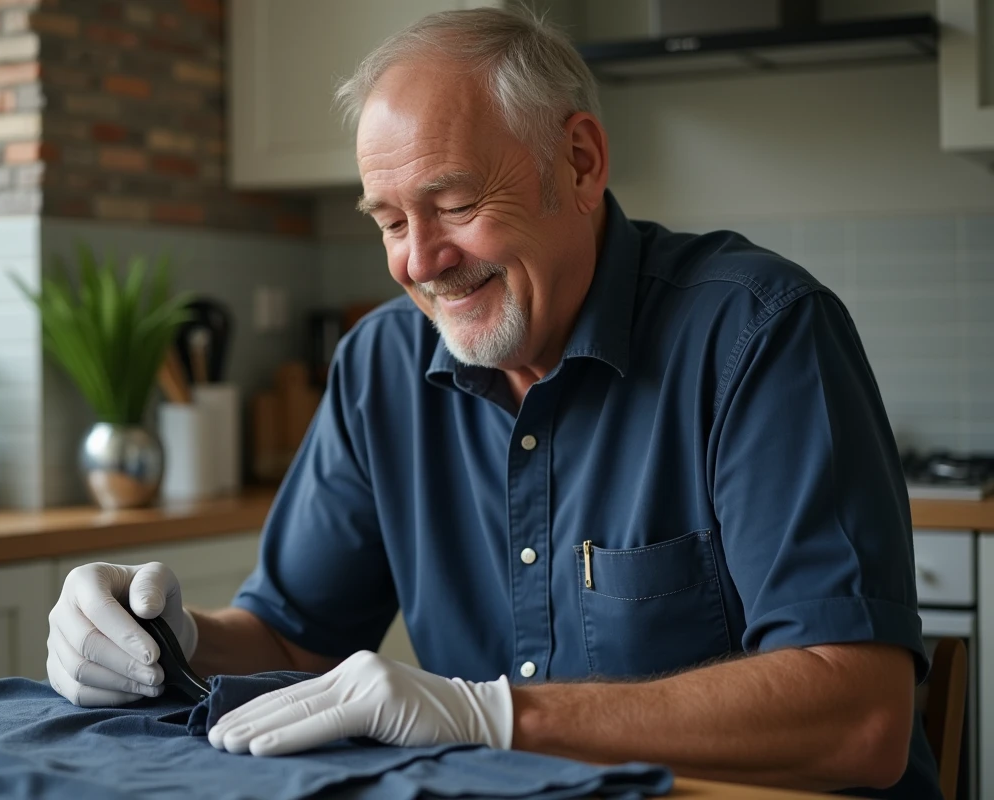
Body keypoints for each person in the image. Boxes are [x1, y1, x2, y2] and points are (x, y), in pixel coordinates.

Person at [46, 8, 938, 798]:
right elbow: (290, 641)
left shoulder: (759, 332)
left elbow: (860, 718)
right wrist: (165, 637)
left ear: (579, 163)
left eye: (456, 203)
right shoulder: (380, 366)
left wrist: (491, 716)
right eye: (390, 222)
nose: (419, 260)